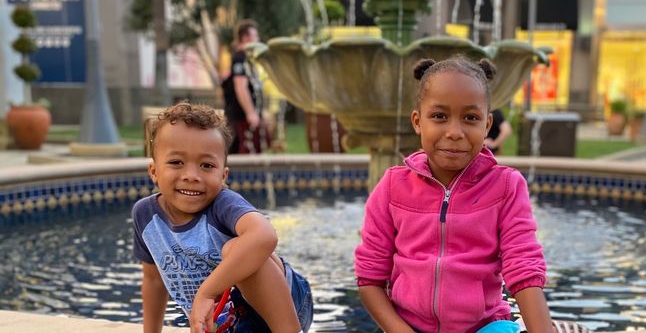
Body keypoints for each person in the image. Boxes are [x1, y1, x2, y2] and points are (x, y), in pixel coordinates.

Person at [354, 57, 554, 333]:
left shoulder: (507, 186)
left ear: (487, 125)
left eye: (471, 118)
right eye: (439, 116)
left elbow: (524, 269)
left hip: (486, 328)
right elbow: (369, 280)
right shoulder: (391, 188)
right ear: (417, 121)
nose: (455, 132)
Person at [132, 102, 312, 333]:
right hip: (228, 320)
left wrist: (206, 292)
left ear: (223, 175)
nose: (191, 176)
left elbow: (265, 235)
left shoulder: (223, 204)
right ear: (154, 171)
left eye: (207, 165)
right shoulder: (145, 216)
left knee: (239, 248)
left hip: (285, 305)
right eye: (176, 162)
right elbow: (154, 281)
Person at [222, 20, 269, 154]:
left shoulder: (247, 59)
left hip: (244, 117)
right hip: (240, 117)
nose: (258, 40)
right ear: (246, 38)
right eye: (255, 36)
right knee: (243, 152)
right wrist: (251, 113)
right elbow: (240, 87)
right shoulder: (240, 58)